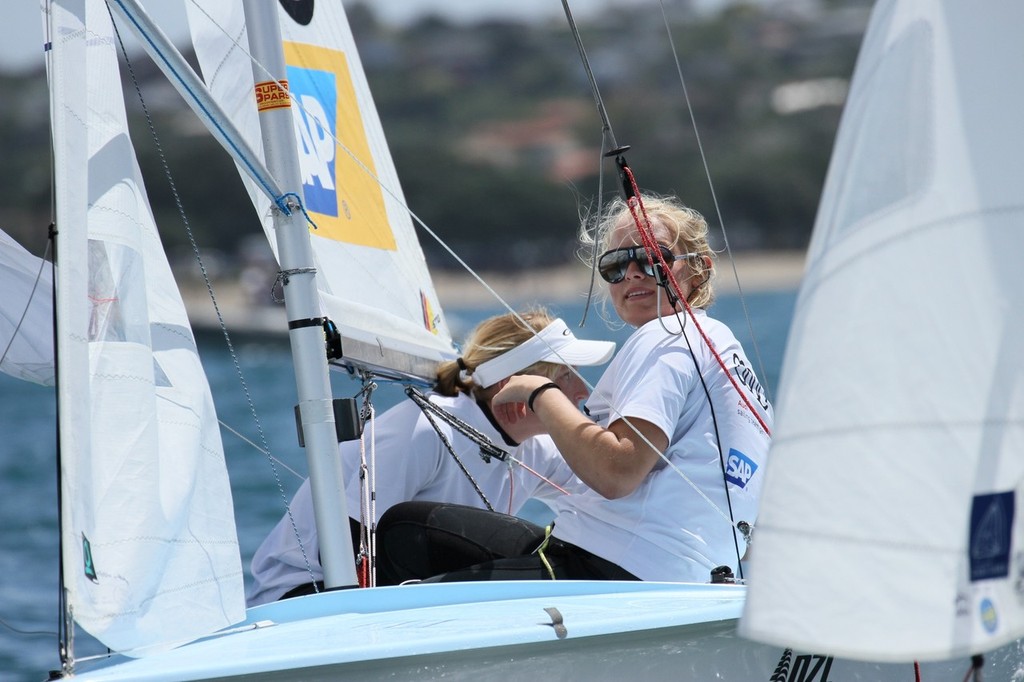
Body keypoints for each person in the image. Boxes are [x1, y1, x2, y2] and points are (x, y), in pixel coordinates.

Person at [375, 193, 772, 585]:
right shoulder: (732, 364)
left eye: (652, 259)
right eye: (616, 265)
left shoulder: (666, 335)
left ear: (698, 270)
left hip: (609, 568)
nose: (632, 273)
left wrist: (539, 393)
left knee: (402, 530)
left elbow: (615, 474)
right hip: (695, 580)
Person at [247, 308, 616, 604]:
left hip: (396, 586)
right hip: (303, 596)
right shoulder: (426, 428)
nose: (583, 391)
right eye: (566, 376)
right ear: (512, 385)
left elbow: (606, 490)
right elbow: (347, 545)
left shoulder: (538, 448)